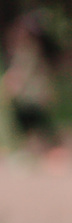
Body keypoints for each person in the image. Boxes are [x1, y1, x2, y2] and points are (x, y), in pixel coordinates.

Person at [4, 12, 65, 168]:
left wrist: (10, 82)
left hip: (32, 97)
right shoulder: (31, 49)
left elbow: (21, 72)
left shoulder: (29, 50)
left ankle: (52, 155)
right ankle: (42, 155)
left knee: (37, 125)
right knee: (33, 127)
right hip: (30, 97)